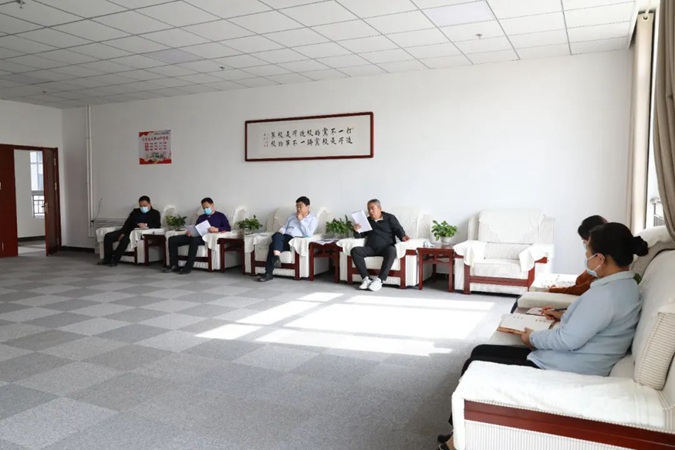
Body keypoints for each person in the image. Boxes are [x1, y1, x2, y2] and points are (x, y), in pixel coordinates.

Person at [437, 222, 648, 450]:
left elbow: (567, 340)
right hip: (575, 357)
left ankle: (455, 442)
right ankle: (458, 432)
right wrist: (563, 314)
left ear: (600, 258)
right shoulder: (624, 287)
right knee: (480, 351)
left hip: (565, 365)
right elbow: (595, 321)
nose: (585, 257)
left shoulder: (606, 296)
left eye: (587, 252)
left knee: (475, 361)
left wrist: (531, 337)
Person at [350, 199, 409, 292]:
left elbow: (398, 230)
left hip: (386, 248)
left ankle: (380, 280)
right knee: (355, 250)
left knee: (392, 250)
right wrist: (356, 230)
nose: (370, 211)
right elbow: (360, 236)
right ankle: (366, 279)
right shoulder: (367, 220)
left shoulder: (390, 218)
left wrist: (403, 236)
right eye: (368, 209)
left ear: (380, 208)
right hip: (371, 248)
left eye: (372, 208)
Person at [257, 196, 317, 282]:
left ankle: (269, 272)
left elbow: (308, 234)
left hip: (294, 241)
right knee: (276, 236)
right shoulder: (291, 216)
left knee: (272, 245)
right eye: (297, 206)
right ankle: (275, 259)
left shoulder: (313, 219)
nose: (298, 208)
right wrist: (281, 231)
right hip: (284, 238)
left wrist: (301, 220)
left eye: (300, 206)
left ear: (307, 207)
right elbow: (285, 227)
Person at [164, 198, 230, 275]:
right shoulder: (201, 217)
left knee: (194, 240)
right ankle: (174, 265)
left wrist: (217, 229)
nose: (205, 209)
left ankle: (188, 267)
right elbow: (196, 227)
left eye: (207, 207)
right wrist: (190, 232)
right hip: (196, 235)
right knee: (172, 239)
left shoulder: (220, 216)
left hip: (205, 238)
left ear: (212, 205)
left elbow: (228, 228)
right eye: (204, 208)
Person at [546, 215, 608, 295]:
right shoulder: (599, 260)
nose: (585, 245)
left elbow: (585, 288)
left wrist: (555, 290)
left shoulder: (603, 264)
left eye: (585, 242)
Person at [98, 195, 161, 267]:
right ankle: (107, 259)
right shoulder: (135, 211)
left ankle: (115, 260)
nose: (142, 207)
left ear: (150, 204)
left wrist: (146, 225)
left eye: (144, 205)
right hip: (128, 230)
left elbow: (157, 225)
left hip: (136, 233)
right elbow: (127, 223)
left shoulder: (155, 213)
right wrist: (122, 233)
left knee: (125, 239)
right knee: (108, 236)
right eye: (141, 206)